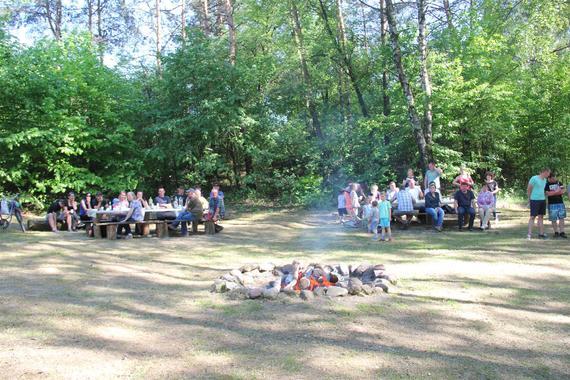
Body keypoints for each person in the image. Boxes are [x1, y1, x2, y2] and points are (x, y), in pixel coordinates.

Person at [527, 168, 550, 240]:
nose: (549, 175)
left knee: (541, 217)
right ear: (544, 172)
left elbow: (543, 191)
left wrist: (545, 200)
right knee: (532, 217)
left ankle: (541, 234)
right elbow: (529, 189)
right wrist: (529, 200)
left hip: (542, 200)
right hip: (534, 200)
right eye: (548, 173)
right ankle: (529, 234)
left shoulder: (545, 180)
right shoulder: (534, 178)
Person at [545, 172, 566, 238]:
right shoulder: (547, 184)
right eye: (553, 177)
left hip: (560, 203)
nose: (555, 178)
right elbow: (548, 194)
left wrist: (553, 192)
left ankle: (562, 232)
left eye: (555, 177)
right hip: (552, 204)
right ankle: (556, 232)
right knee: (553, 219)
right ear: (549, 178)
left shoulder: (559, 183)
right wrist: (557, 191)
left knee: (561, 218)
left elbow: (562, 191)